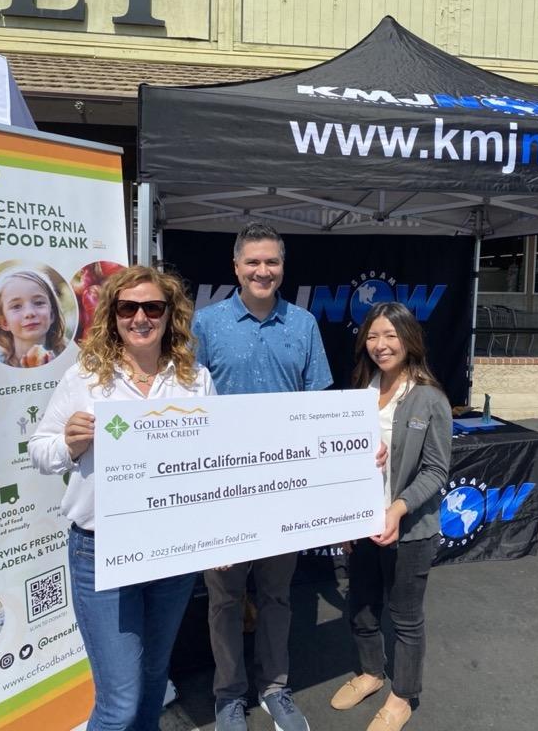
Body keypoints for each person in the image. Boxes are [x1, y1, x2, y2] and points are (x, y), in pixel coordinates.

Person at [30, 265, 216, 731]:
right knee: (119, 704)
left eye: (152, 307)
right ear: (112, 315)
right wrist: (69, 444)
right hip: (102, 551)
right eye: (127, 308)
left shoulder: (195, 380)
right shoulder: (85, 378)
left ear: (169, 315)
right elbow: (40, 451)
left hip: (172, 551)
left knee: (154, 677)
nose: (140, 318)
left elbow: (214, 460)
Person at [192, 222, 334, 731]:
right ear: (235, 267)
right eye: (252, 261)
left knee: (277, 595)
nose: (262, 270)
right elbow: (185, 404)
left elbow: (320, 407)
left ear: (283, 267)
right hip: (223, 491)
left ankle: (275, 688)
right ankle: (228, 695)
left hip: (283, 491)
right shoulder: (205, 325)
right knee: (225, 599)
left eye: (271, 261)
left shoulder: (304, 324)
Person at [329, 302, 451, 731]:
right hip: (363, 524)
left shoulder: (429, 398)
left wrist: (398, 510)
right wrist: (345, 519)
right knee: (361, 606)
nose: (380, 345)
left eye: (390, 336)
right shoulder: (360, 392)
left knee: (406, 618)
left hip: (409, 530)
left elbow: (436, 470)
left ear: (409, 339)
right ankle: (371, 673)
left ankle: (403, 696)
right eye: (372, 336)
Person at [0, 267, 67, 366]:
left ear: (52, 314)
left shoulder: (69, 361)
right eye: (16, 306)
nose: (29, 313)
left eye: (39, 303)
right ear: (4, 322)